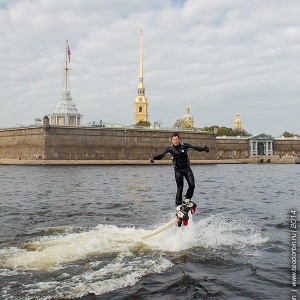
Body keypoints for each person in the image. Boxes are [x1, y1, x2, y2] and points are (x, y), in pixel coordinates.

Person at [149, 133, 209, 224]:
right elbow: (162, 155)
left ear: (179, 139)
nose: (175, 141)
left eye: (177, 139)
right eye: (173, 139)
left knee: (192, 185)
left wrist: (204, 149)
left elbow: (195, 148)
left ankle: (187, 200)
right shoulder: (170, 149)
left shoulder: (185, 146)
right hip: (178, 170)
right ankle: (178, 207)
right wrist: (153, 158)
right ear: (171, 140)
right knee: (180, 188)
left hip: (187, 169)